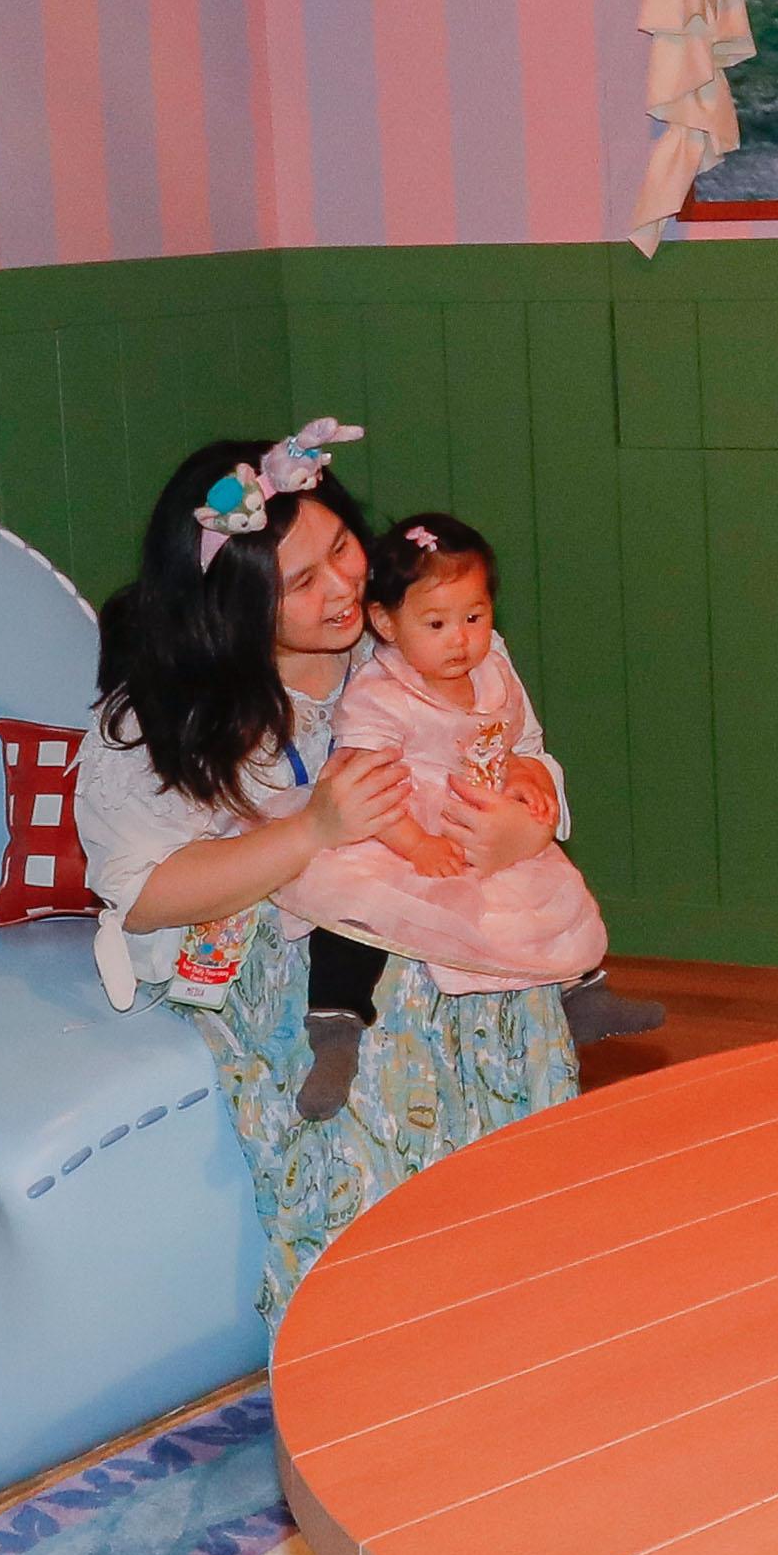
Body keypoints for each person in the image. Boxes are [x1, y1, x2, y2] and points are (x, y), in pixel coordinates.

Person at [74, 424, 580, 1309]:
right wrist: (315, 829)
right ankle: (375, 1304)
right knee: (398, 979)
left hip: (427, 900)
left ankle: (523, 1269)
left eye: (343, 547)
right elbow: (144, 896)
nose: (344, 586)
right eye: (302, 581)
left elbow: (522, 754)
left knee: (492, 953)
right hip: (263, 942)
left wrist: (524, 825)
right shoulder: (161, 716)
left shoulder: (420, 638)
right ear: (234, 604)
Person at [280, 510, 624, 1102]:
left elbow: (515, 740)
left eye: (474, 617)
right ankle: (336, 1023)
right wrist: (416, 843)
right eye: (437, 623)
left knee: (547, 890)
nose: (460, 639)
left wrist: (526, 774)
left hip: (471, 822)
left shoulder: (493, 672)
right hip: (392, 825)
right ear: (386, 623)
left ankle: (581, 990)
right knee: (358, 911)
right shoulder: (381, 692)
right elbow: (361, 779)